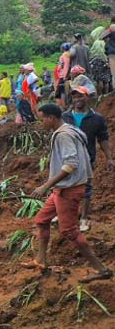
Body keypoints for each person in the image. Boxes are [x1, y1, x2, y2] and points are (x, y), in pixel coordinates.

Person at [24, 104, 112, 282]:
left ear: (51, 118)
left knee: (69, 231)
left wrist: (45, 186)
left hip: (68, 189)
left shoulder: (64, 135)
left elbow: (70, 165)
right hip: (63, 188)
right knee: (41, 220)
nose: (40, 123)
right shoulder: (70, 130)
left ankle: (101, 269)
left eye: (42, 119)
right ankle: (41, 260)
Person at [61, 87, 115, 232]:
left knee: (85, 188)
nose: (78, 99)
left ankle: (83, 218)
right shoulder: (65, 117)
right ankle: (66, 215)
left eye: (81, 96)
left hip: (87, 158)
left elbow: (103, 138)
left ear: (88, 98)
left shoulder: (97, 118)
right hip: (66, 158)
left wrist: (109, 158)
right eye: (75, 97)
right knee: (64, 186)